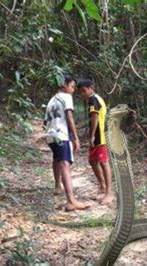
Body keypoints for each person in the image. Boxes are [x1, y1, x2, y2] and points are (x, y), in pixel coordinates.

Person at [44, 76, 91, 211]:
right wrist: (75, 137)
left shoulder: (52, 99)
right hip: (61, 135)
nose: (73, 90)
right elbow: (69, 117)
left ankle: (58, 186)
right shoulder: (66, 97)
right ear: (64, 85)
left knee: (57, 159)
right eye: (72, 86)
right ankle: (71, 201)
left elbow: (45, 121)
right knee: (65, 164)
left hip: (50, 136)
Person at [78, 79, 114, 205]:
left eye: (84, 91)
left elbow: (95, 117)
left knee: (103, 162)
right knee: (92, 160)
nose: (83, 94)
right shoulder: (95, 98)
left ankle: (109, 193)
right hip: (98, 135)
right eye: (81, 92)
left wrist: (92, 136)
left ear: (90, 88)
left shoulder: (94, 99)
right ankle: (102, 186)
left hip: (100, 136)